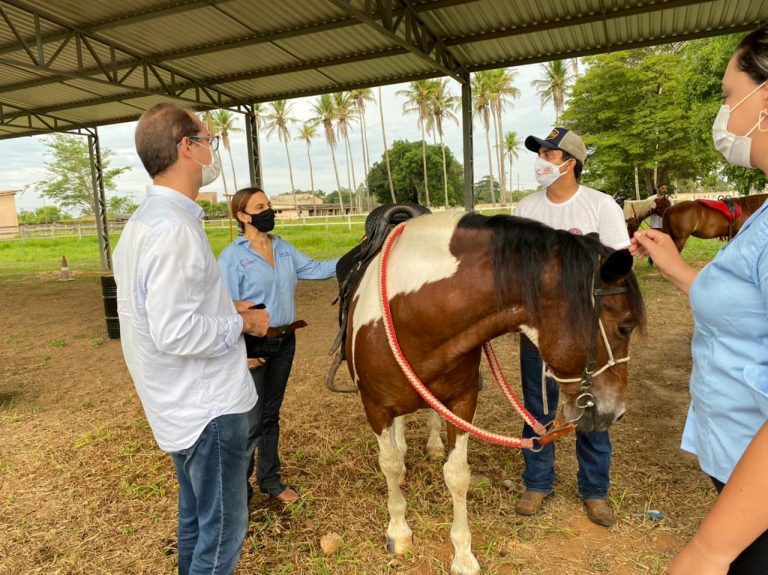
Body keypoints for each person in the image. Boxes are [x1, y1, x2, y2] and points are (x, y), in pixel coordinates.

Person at [631, 27, 768, 575]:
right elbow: (746, 303)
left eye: (729, 95)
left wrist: (708, 551)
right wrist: (680, 268)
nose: (725, 113)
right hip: (739, 471)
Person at [112, 103, 270, 575]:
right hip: (207, 409)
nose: (211, 150)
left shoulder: (144, 223)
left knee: (195, 518)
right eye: (208, 141)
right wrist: (242, 324)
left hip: (176, 405)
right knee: (222, 532)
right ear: (186, 148)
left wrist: (226, 307)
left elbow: (158, 310)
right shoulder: (173, 229)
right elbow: (175, 331)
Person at [513, 127, 630, 527]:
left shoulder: (600, 208)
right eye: (540, 153)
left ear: (571, 164)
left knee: (591, 406)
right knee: (538, 405)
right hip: (538, 331)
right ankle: (537, 481)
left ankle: (595, 491)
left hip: (586, 331)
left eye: (549, 154)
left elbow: (617, 271)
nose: (541, 161)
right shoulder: (526, 210)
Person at [218, 187, 338, 505]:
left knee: (270, 415)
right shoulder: (233, 257)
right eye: (261, 206)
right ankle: (238, 489)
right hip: (251, 344)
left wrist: (362, 253)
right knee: (250, 419)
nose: (269, 210)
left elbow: (317, 269)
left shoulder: (282, 247)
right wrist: (239, 354)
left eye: (269, 205)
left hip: (285, 341)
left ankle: (270, 480)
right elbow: (224, 308)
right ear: (243, 216)